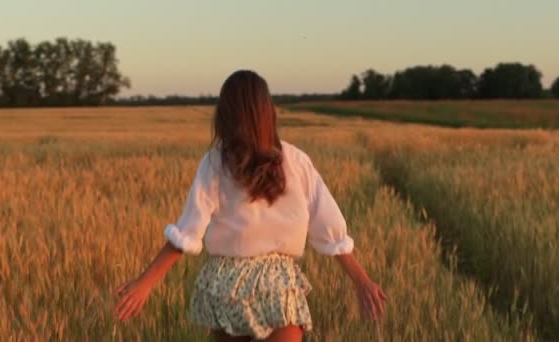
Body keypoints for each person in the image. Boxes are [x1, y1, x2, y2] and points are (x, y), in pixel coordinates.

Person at [114, 70, 387, 341]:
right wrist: (361, 281)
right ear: (269, 113)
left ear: (224, 116)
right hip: (278, 288)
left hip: (226, 286)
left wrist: (144, 283)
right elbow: (328, 226)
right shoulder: (296, 161)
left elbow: (187, 233)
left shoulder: (214, 163)